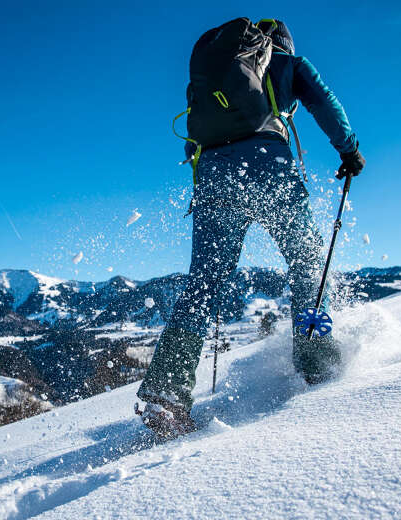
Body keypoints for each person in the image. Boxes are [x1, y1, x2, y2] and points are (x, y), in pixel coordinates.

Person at [136, 19, 365, 437]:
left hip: (212, 175)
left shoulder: (218, 75)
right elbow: (324, 102)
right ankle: (316, 363)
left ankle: (167, 397)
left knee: (203, 282)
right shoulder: (288, 63)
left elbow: (194, 138)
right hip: (268, 167)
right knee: (306, 261)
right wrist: (349, 150)